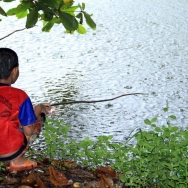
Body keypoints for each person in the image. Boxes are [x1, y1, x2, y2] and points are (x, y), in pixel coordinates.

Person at [0, 48, 51, 171]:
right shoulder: (20, 96)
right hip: (11, 151)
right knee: (37, 120)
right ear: (15, 71)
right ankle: (17, 161)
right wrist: (38, 108)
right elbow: (28, 131)